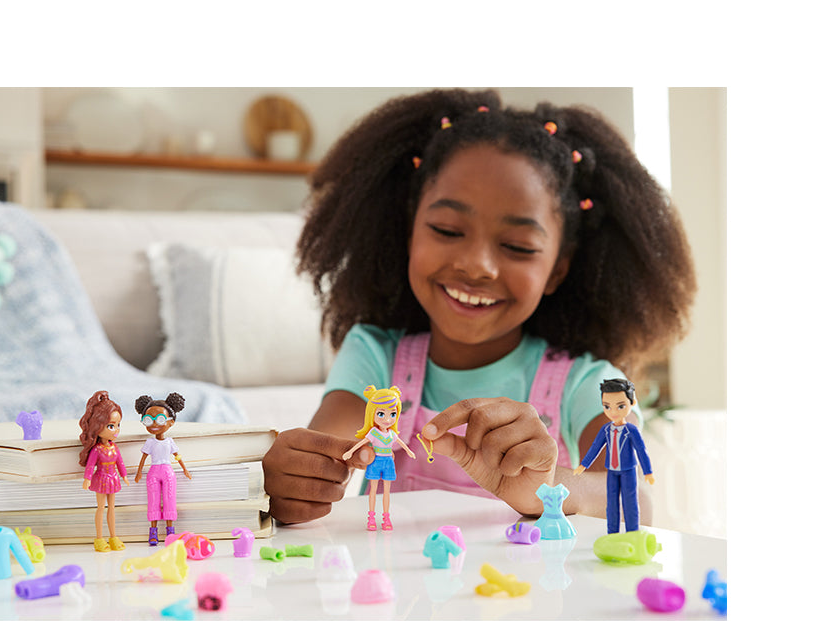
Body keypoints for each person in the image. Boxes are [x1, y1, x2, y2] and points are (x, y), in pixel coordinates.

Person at [262, 89, 696, 524]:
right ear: (408, 232)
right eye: (447, 230)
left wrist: (546, 485)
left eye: (517, 246)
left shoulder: (589, 383)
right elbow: (321, 460)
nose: (476, 265)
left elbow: (634, 499)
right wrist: (289, 481)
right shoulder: (374, 355)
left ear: (558, 270)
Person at [573, 378, 654, 533]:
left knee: (630, 501)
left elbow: (641, 450)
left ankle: (632, 532)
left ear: (632, 403)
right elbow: (595, 447)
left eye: (620, 406)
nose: (613, 412)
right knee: (611, 502)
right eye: (607, 406)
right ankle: (612, 532)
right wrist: (584, 464)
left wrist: (647, 471)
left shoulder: (631, 430)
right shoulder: (606, 429)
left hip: (628, 470)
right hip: (611, 470)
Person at [341, 385, 417, 530]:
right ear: (372, 414)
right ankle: (371, 518)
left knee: (387, 491)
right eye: (381, 414)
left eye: (392, 414)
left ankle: (386, 518)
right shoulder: (374, 433)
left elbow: (401, 443)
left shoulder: (392, 434)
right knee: (373, 490)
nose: (387, 419)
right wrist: (350, 452)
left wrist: (409, 451)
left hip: (388, 462)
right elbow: (362, 442)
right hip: (376, 461)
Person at [133, 392, 192, 545]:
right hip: (153, 472)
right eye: (148, 420)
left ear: (171, 422)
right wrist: (139, 472)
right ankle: (153, 532)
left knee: (169, 499)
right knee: (153, 501)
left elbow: (177, 456)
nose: (154, 424)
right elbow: (143, 458)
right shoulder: (150, 442)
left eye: (159, 419)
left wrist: (184, 469)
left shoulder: (169, 441)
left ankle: (170, 532)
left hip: (168, 472)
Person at [79, 390, 129, 551]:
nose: (116, 430)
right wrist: (87, 478)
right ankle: (99, 539)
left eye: (118, 425)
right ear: (97, 427)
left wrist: (124, 475)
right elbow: (90, 465)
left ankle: (113, 537)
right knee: (101, 508)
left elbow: (120, 462)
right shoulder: (97, 450)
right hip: (100, 478)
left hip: (113, 478)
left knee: (112, 508)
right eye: (111, 426)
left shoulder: (114, 448)